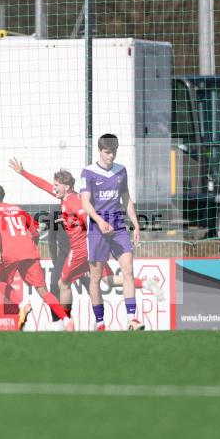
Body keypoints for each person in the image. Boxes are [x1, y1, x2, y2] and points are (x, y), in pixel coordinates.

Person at [10, 157, 163, 330]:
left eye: (56, 185)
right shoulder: (68, 196)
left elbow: (86, 216)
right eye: (54, 185)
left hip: (81, 249)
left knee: (63, 284)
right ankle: (145, 283)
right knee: (108, 281)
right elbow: (43, 185)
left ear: (66, 187)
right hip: (91, 247)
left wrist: (91, 226)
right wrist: (23, 172)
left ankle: (66, 322)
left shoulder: (73, 201)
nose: (53, 188)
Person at [0, 183, 71, 330]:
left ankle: (22, 304)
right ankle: (66, 320)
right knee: (43, 290)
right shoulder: (18, 209)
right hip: (30, 252)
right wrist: (31, 245)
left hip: (11, 254)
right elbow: (35, 233)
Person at [79, 134, 144, 331]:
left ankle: (132, 319)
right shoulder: (88, 172)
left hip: (118, 226)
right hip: (97, 229)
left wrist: (136, 224)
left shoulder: (121, 171)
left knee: (128, 270)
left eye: (114, 151)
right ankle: (100, 323)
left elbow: (126, 199)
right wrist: (99, 221)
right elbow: (85, 202)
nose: (111, 156)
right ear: (99, 151)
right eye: (107, 152)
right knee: (96, 277)